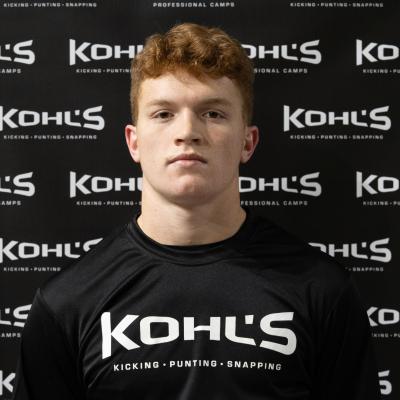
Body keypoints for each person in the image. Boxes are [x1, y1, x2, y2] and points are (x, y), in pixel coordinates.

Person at [12, 22, 380, 400]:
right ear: (133, 142)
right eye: (163, 114)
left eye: (213, 113)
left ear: (247, 142)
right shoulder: (66, 302)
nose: (187, 131)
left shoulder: (322, 291)